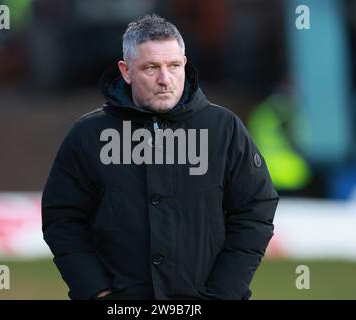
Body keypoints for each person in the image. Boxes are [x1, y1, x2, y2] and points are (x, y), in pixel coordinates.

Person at [42, 14, 279, 300]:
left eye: (174, 66)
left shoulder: (224, 129)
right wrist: (95, 291)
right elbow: (62, 218)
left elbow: (256, 210)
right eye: (151, 67)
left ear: (185, 64)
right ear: (126, 71)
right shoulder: (88, 135)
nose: (165, 79)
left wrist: (225, 292)